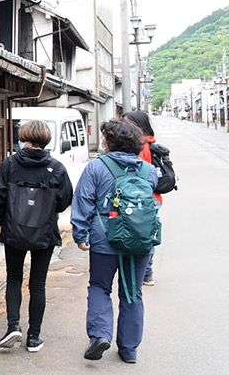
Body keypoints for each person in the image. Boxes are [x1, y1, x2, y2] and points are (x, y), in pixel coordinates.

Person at [71, 118, 158, 364]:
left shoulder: (96, 168)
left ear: (110, 141)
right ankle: (129, 349)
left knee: (100, 287)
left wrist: (80, 234)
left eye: (104, 137)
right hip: (139, 240)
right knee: (132, 292)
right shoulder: (147, 170)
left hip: (105, 240)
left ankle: (100, 335)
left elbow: (83, 202)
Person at [0, 120, 73, 353]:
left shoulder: (10, 165)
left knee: (14, 278)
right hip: (45, 233)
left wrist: (6, 223)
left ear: (24, 137)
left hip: (14, 233)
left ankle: (13, 326)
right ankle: (34, 337)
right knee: (38, 284)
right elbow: (65, 199)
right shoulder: (56, 167)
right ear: (45, 139)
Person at [123, 110, 162, 286]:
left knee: (143, 234)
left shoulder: (141, 147)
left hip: (142, 200)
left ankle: (146, 272)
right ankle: (147, 271)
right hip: (152, 199)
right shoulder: (150, 143)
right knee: (147, 232)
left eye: (127, 123)